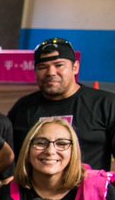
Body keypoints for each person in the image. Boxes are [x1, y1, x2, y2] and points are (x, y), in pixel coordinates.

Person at [8, 38, 115, 170]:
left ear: (75, 67)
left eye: (59, 65)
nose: (51, 72)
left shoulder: (106, 104)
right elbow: (7, 156)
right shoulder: (23, 108)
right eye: (42, 67)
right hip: (33, 184)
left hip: (87, 184)